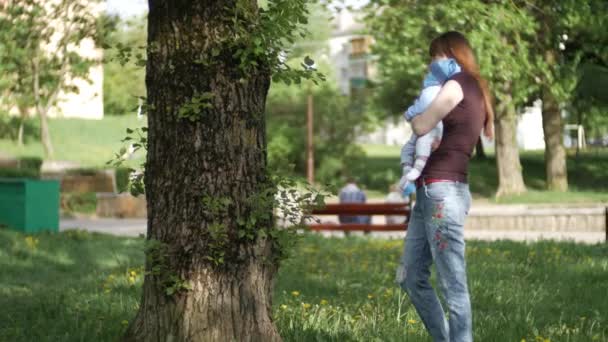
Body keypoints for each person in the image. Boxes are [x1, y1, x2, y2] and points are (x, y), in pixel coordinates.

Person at [395, 31, 494, 342]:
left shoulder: (456, 84)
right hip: (431, 192)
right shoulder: (476, 88)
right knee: (412, 277)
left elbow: (422, 124)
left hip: (442, 191)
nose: (431, 63)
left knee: (454, 285)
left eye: (434, 55)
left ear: (451, 54)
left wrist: (415, 113)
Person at [398, 58, 462, 197]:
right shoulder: (437, 90)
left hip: (432, 125)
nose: (427, 75)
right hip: (432, 124)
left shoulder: (432, 90)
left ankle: (415, 171)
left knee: (421, 144)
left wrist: (409, 113)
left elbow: (422, 106)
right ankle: (408, 172)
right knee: (409, 148)